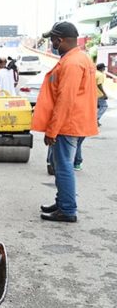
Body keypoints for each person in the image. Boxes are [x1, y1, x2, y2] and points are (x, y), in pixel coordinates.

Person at [31, 21, 98, 223]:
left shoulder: (72, 63)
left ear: (60, 40)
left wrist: (52, 130)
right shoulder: (80, 58)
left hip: (67, 124)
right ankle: (62, 202)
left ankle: (67, 209)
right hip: (75, 122)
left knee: (63, 167)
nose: (52, 44)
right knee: (62, 165)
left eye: (53, 40)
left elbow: (65, 100)